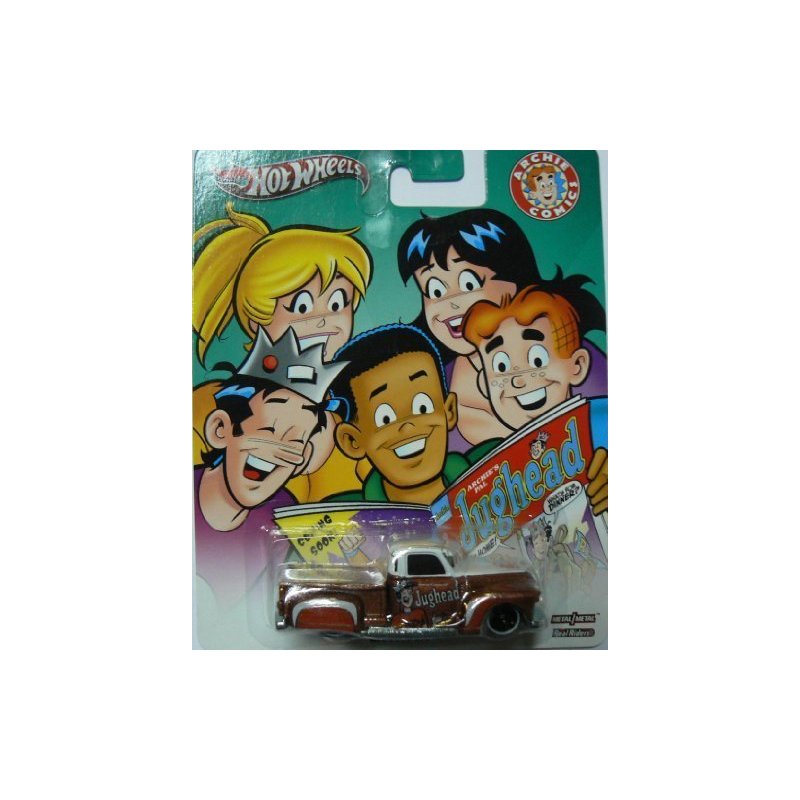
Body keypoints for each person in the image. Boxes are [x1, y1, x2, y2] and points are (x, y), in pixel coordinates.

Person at [192, 202, 373, 500]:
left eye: (338, 303)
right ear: (257, 319)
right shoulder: (210, 406)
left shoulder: (345, 425)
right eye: (301, 306)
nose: (323, 319)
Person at [396, 209, 607, 450]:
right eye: (435, 291)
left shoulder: (565, 350)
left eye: (469, 283)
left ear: (514, 280)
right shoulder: (429, 387)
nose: (451, 303)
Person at [194, 328, 348, 609]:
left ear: (302, 460)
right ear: (220, 429)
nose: (277, 452)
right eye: (268, 430)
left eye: (295, 442)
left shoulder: (284, 516)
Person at [463, 277, 608, 514]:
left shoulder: (602, 421)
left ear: (577, 365)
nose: (519, 380)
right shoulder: (492, 466)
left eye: (537, 359)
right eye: (501, 366)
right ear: (485, 384)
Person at [324, 324, 495, 506]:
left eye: (423, 408)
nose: (407, 426)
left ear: (449, 411)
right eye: (385, 419)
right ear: (352, 440)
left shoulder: (494, 464)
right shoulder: (344, 512)